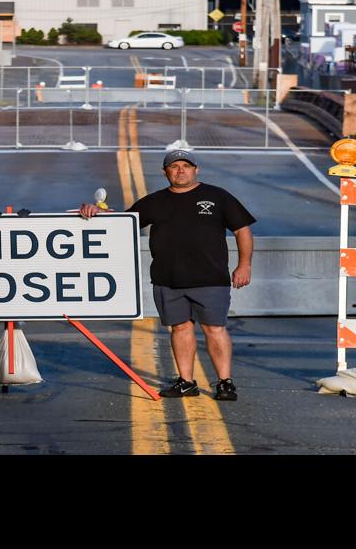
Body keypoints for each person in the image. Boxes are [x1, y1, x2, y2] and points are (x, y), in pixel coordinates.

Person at [80, 149, 255, 401]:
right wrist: (95, 212)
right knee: (180, 328)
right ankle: (186, 382)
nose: (180, 170)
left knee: (215, 329)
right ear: (165, 172)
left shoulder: (217, 196)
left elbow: (242, 230)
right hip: (167, 278)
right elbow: (123, 221)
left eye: (186, 165)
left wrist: (244, 265)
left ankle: (225, 383)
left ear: (196, 169)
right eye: (174, 166)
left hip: (210, 277)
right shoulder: (154, 202)